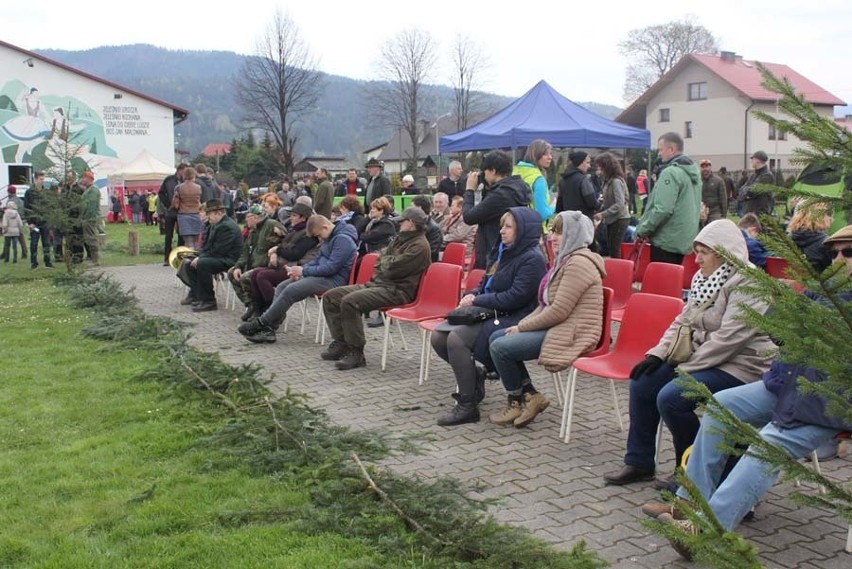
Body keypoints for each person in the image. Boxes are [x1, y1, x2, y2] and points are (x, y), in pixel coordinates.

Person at [651, 224, 852, 559]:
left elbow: (810, 340)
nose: (839, 259)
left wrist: (783, 307)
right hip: (788, 384)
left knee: (766, 446)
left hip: (829, 401)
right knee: (720, 405)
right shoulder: (829, 289)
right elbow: (784, 335)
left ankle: (706, 531)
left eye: (849, 252)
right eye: (834, 253)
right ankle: (690, 502)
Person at [603, 219, 774, 486]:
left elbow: (730, 339)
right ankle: (639, 462)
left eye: (704, 253)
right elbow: (682, 321)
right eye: (697, 252)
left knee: (672, 397)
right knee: (643, 382)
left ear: (724, 253)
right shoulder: (704, 279)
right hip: (704, 358)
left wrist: (685, 370)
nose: (696, 260)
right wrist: (656, 354)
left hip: (743, 366)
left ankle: (692, 471)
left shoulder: (750, 283)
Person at [432, 207, 547, 426]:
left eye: (509, 226)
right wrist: (471, 295)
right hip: (492, 311)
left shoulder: (532, 259)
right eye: (502, 226)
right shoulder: (503, 251)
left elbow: (515, 298)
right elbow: (485, 283)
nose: (502, 231)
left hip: (516, 316)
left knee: (457, 339)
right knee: (438, 336)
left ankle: (467, 406)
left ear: (524, 230)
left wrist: (477, 300)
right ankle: (474, 377)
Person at [488, 210, 605, 428]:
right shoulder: (565, 261)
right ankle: (531, 396)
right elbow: (545, 304)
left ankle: (516, 400)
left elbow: (558, 311)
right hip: (560, 325)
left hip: (573, 331)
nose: (553, 237)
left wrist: (522, 327)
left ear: (574, 235)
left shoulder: (579, 263)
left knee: (500, 347)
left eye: (560, 233)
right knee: (496, 335)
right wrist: (519, 326)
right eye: (553, 231)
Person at [320, 207, 431, 371]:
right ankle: (342, 343)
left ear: (412, 224)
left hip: (397, 291)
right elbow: (380, 259)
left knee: (350, 302)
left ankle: (356, 352)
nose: (399, 224)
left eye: (402, 221)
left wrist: (385, 262)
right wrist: (385, 262)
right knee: (331, 297)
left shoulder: (420, 246)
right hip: (378, 284)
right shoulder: (401, 239)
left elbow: (392, 268)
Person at [239, 215, 359, 344]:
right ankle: (269, 330)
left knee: (291, 289)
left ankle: (262, 323)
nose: (319, 239)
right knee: (282, 286)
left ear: (325, 227)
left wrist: (304, 271)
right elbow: (317, 260)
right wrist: (300, 270)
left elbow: (331, 268)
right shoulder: (331, 237)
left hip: (333, 280)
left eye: (319, 235)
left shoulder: (343, 240)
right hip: (322, 276)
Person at [634, 132, 701, 265]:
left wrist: (643, 230)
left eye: (661, 149)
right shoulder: (693, 173)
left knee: (660, 283)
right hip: (683, 238)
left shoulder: (670, 172)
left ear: (671, 150)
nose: (659, 154)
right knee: (672, 280)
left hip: (666, 240)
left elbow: (663, 209)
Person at [248, 203, 320, 318]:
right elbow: (283, 247)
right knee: (255, 273)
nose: (291, 218)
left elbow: (294, 254)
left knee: (262, 276)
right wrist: (276, 252)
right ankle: (258, 309)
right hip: (284, 265)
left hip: (295, 269)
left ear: (303, 218)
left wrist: (277, 250)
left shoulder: (308, 235)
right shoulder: (294, 231)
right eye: (291, 215)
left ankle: (273, 311)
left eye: (294, 215)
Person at [463, 150, 532, 269]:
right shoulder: (515, 188)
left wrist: (469, 190)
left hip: (494, 254)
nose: (483, 175)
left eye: (485, 172)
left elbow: (469, 217)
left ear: (493, 171)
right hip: (506, 251)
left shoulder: (500, 195)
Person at [176, 199, 243, 312]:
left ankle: (209, 301)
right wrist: (197, 256)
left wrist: (201, 258)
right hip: (219, 256)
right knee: (189, 263)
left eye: (209, 214)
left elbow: (219, 250)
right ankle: (197, 296)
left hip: (229, 260)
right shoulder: (216, 224)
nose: (207, 216)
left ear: (218, 213)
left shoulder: (227, 226)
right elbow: (207, 247)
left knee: (202, 264)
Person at [227, 203, 286, 320]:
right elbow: (244, 252)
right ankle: (251, 306)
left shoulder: (272, 225)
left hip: (267, 266)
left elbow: (286, 243)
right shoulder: (253, 231)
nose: (245, 219)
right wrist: (238, 266)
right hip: (253, 264)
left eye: (248, 216)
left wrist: (275, 252)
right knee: (232, 273)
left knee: (246, 277)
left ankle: (260, 309)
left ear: (255, 217)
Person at [593, 152, 631, 259]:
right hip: (612, 218)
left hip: (619, 218)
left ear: (606, 167)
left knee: (614, 249)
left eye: (601, 167)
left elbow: (620, 203)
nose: (599, 170)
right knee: (611, 247)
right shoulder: (607, 181)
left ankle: (618, 271)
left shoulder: (616, 181)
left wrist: (603, 214)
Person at [513, 139, 555, 222]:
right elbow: (541, 214)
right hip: (533, 228)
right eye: (545, 154)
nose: (550, 157)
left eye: (550, 154)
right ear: (535, 155)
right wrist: (553, 206)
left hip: (516, 224)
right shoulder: (539, 179)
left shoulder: (515, 173)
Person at [786, 199, 833, 272]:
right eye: (828, 214)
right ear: (820, 216)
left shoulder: (786, 239)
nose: (831, 218)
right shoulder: (827, 243)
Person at [556, 151, 598, 221]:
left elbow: (559, 207)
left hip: (568, 222)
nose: (589, 166)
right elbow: (592, 203)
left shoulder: (562, 180)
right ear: (581, 162)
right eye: (587, 162)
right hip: (584, 223)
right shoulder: (583, 180)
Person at [158, 163, 187, 266]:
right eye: (184, 171)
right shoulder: (169, 180)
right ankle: (167, 258)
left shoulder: (186, 181)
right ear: (179, 170)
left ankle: (178, 258)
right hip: (170, 211)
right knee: (168, 235)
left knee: (181, 236)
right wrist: (167, 204)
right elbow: (161, 193)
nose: (185, 173)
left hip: (182, 211)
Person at [23, 174, 53, 269]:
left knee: (46, 243)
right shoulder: (29, 192)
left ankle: (47, 262)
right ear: (35, 179)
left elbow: (49, 207)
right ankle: (33, 263)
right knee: (34, 243)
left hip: (44, 222)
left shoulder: (46, 192)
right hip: (34, 223)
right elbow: (27, 208)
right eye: (41, 179)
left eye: (43, 179)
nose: (42, 181)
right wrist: (30, 222)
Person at [739, 150, 776, 216]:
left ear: (757, 160)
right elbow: (741, 189)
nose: (751, 161)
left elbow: (753, 191)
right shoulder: (753, 175)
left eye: (752, 159)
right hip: (750, 213)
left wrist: (747, 193)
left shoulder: (767, 176)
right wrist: (746, 193)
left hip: (760, 214)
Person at [174, 167, 204, 249]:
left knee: (188, 242)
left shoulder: (178, 187)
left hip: (183, 215)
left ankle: (189, 259)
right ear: (193, 175)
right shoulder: (198, 187)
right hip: (196, 214)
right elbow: (199, 202)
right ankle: (196, 259)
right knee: (197, 242)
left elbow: (175, 204)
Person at [78, 171, 101, 265]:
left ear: (89, 179)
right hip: (86, 218)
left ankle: (96, 260)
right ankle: (93, 258)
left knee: (92, 239)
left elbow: (90, 206)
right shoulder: (88, 189)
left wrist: (86, 218)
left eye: (84, 178)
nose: (82, 180)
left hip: (90, 219)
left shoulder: (93, 190)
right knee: (88, 239)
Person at [410, 195, 442, 262]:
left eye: (412, 208)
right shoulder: (414, 224)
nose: (410, 210)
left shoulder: (434, 229)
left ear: (420, 209)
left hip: (425, 264)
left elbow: (431, 252)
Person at [699, 159, 727, 224]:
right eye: (703, 167)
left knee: (715, 230)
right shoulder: (697, 181)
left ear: (710, 167)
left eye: (707, 166)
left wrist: (724, 215)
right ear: (700, 168)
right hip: (701, 211)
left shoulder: (718, 181)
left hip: (715, 212)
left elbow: (723, 199)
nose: (705, 169)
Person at [5, 185, 27, 259]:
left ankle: (5, 254)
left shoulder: (9, 201)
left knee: (7, 239)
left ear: (9, 192)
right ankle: (25, 252)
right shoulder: (20, 200)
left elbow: (7, 213)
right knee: (21, 237)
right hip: (21, 220)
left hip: (12, 223)